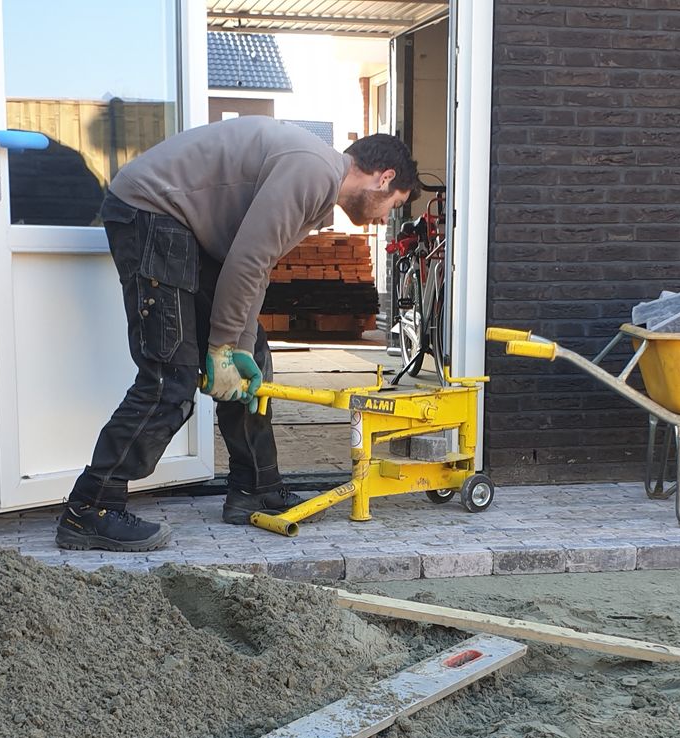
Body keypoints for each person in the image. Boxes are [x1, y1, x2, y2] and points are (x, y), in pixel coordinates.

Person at [56, 117, 419, 551]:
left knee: (254, 363)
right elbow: (247, 260)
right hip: (151, 211)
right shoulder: (313, 171)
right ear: (384, 178)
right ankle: (90, 507)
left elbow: (254, 268)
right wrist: (221, 347)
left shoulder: (318, 187)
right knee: (171, 377)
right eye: (394, 205)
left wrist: (239, 347)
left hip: (184, 228)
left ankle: (254, 488)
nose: (385, 218)